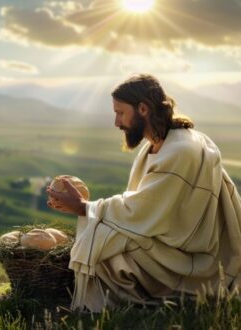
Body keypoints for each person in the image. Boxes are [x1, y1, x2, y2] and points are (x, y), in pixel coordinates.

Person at [46, 74, 241, 312]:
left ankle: (114, 309)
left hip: (192, 257)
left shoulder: (180, 150)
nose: (117, 122)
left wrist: (84, 207)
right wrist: (88, 208)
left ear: (143, 109)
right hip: (165, 235)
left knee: (107, 250)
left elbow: (142, 210)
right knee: (103, 236)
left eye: (120, 113)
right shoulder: (158, 143)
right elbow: (147, 209)